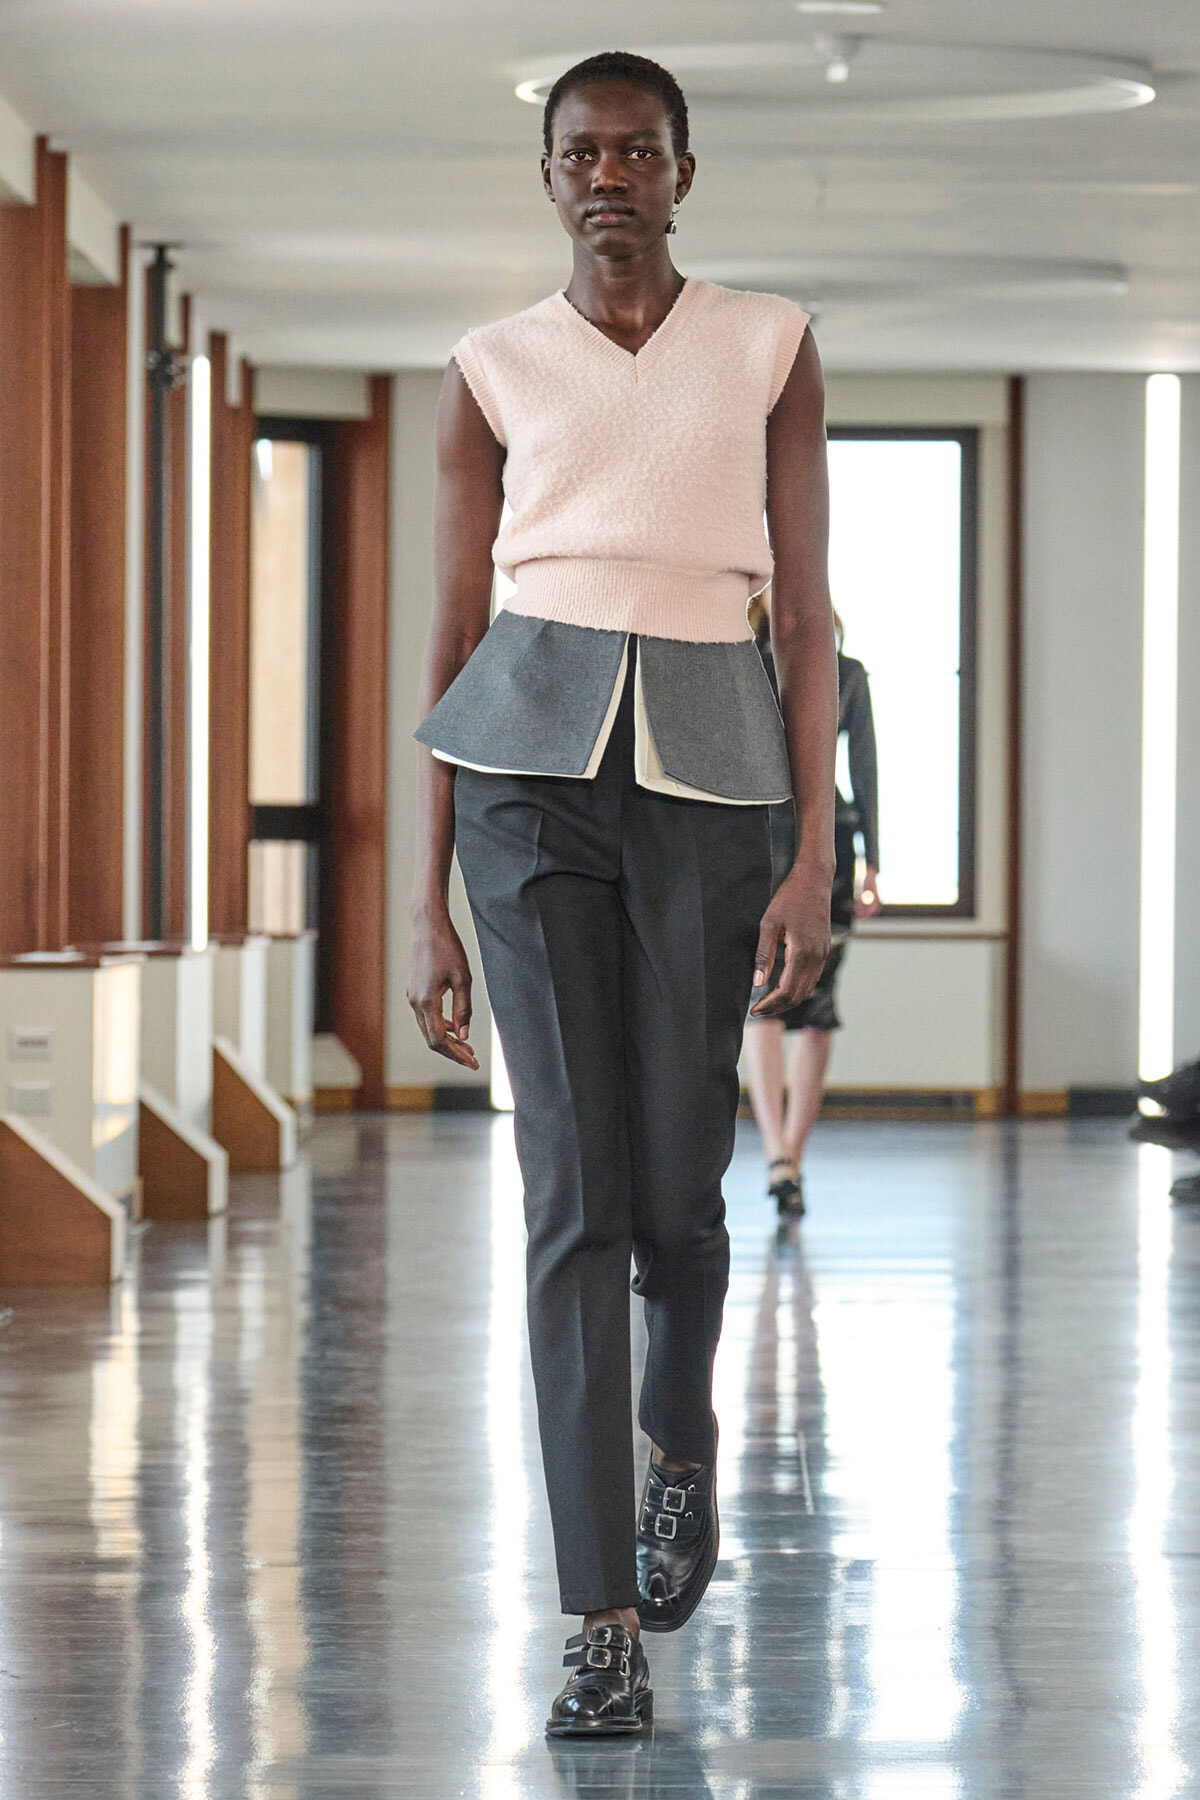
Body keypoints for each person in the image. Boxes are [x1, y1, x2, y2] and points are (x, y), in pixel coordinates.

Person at [407, 51, 836, 1737]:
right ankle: (598, 1621)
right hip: (523, 780)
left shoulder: (768, 343)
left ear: (681, 171)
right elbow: (453, 634)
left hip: (715, 778)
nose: (609, 177)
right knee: (571, 1197)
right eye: (580, 153)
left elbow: (809, 616)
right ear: (548, 177)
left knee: (677, 1200)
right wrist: (426, 893)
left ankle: (681, 1443)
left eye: (637, 151)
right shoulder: (489, 366)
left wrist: (813, 853)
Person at [744, 605, 880, 1217]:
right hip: (758, 840)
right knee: (764, 997)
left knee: (819, 1006)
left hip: (831, 847)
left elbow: (864, 769)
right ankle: (777, 1152)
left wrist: (875, 861)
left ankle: (792, 1154)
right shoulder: (742, 664)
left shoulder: (847, 673)